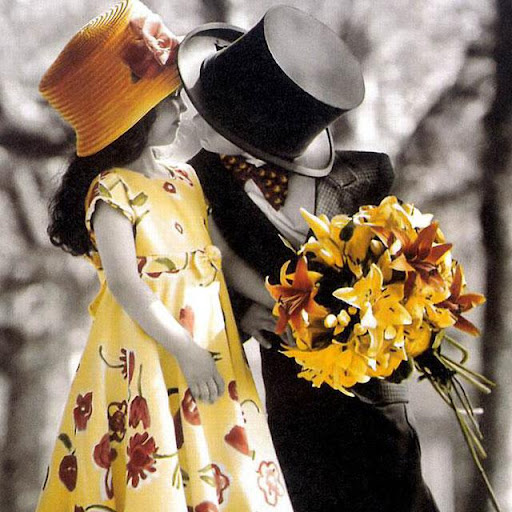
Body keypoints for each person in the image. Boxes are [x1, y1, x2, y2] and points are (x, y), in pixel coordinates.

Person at [174, 6, 441, 512]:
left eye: (214, 112)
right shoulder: (194, 184)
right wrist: (240, 313)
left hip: (375, 390)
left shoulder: (365, 180)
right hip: (296, 401)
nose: (194, 113)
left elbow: (411, 275)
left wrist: (403, 324)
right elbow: (189, 270)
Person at [36, 1, 293, 511]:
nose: (182, 110)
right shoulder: (113, 191)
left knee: (218, 464)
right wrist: (184, 349)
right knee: (156, 457)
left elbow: (222, 259)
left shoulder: (186, 180)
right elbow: (127, 287)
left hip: (209, 346)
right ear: (131, 118)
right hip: (153, 351)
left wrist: (284, 300)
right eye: (170, 102)